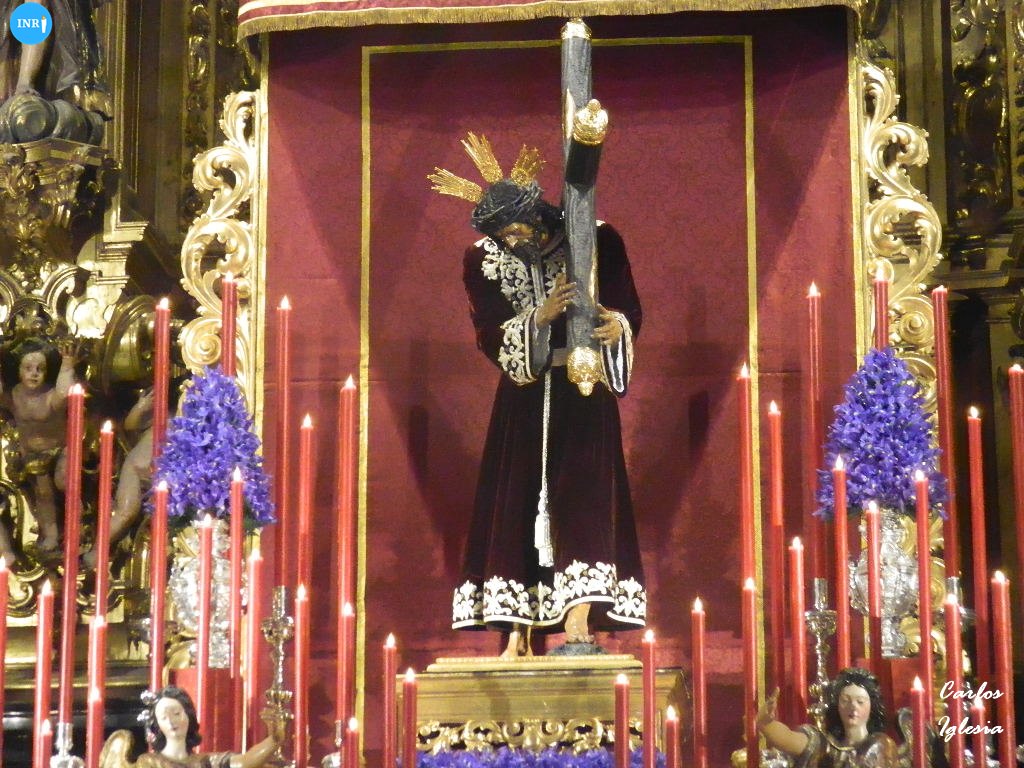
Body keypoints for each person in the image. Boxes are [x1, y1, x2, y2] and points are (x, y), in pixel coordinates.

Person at [432, 134, 645, 657]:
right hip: (524, 399)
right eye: (502, 235)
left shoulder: (595, 237)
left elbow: (626, 307)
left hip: (584, 388)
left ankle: (579, 617)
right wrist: (540, 317)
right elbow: (489, 331)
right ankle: (518, 629)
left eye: (518, 228)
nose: (513, 241)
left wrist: (615, 326)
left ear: (537, 213)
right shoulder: (481, 259)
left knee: (584, 498)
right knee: (518, 502)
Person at [0, 336, 78, 556]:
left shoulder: (50, 395)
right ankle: (51, 534)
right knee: (43, 493)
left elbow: (64, 394)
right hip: (33, 454)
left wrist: (67, 363)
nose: (34, 373)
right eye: (28, 368)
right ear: (18, 371)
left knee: (65, 482)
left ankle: (77, 525)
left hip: (61, 449)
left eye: (39, 369)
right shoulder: (14, 395)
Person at [100, 685, 281, 768]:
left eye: (176, 713)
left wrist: (274, 740)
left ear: (189, 715)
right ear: (157, 725)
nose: (171, 721)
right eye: (163, 717)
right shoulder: (148, 763)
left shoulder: (205, 762)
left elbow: (244, 763)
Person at [756, 667, 899, 768]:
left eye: (860, 701)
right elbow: (787, 738)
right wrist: (766, 722)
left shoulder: (881, 745)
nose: (853, 707)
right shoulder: (823, 746)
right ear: (837, 706)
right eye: (845, 700)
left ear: (872, 706)